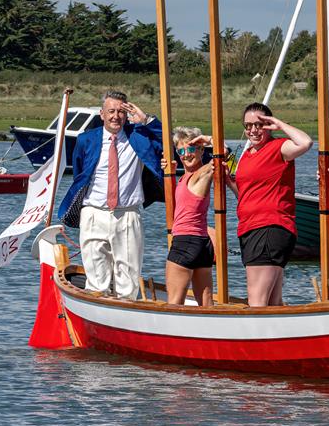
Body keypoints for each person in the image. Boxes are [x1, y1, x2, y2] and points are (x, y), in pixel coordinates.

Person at [58, 91, 163, 300]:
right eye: (111, 111)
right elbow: (80, 172)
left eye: (121, 112)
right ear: (102, 114)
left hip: (127, 214)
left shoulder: (139, 136)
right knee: (96, 277)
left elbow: (168, 144)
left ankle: (126, 315)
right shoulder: (86, 139)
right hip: (94, 212)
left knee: (128, 277)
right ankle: (96, 315)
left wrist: (147, 120)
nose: (116, 116)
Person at [228, 102, 312, 307]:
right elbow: (246, 195)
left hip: (270, 227)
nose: (253, 130)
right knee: (273, 302)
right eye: (248, 125)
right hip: (249, 228)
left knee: (257, 301)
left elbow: (306, 143)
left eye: (259, 124)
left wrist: (279, 124)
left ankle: (255, 338)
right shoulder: (247, 156)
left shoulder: (279, 147)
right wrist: (229, 182)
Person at [165, 126, 219, 307]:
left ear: (201, 149)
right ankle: (211, 334)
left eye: (190, 149)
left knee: (174, 304)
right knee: (206, 303)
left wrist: (208, 139)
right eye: (181, 150)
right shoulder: (184, 177)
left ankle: (174, 335)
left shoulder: (200, 174)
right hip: (202, 244)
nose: (186, 155)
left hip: (185, 242)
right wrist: (168, 174)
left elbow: (222, 155)